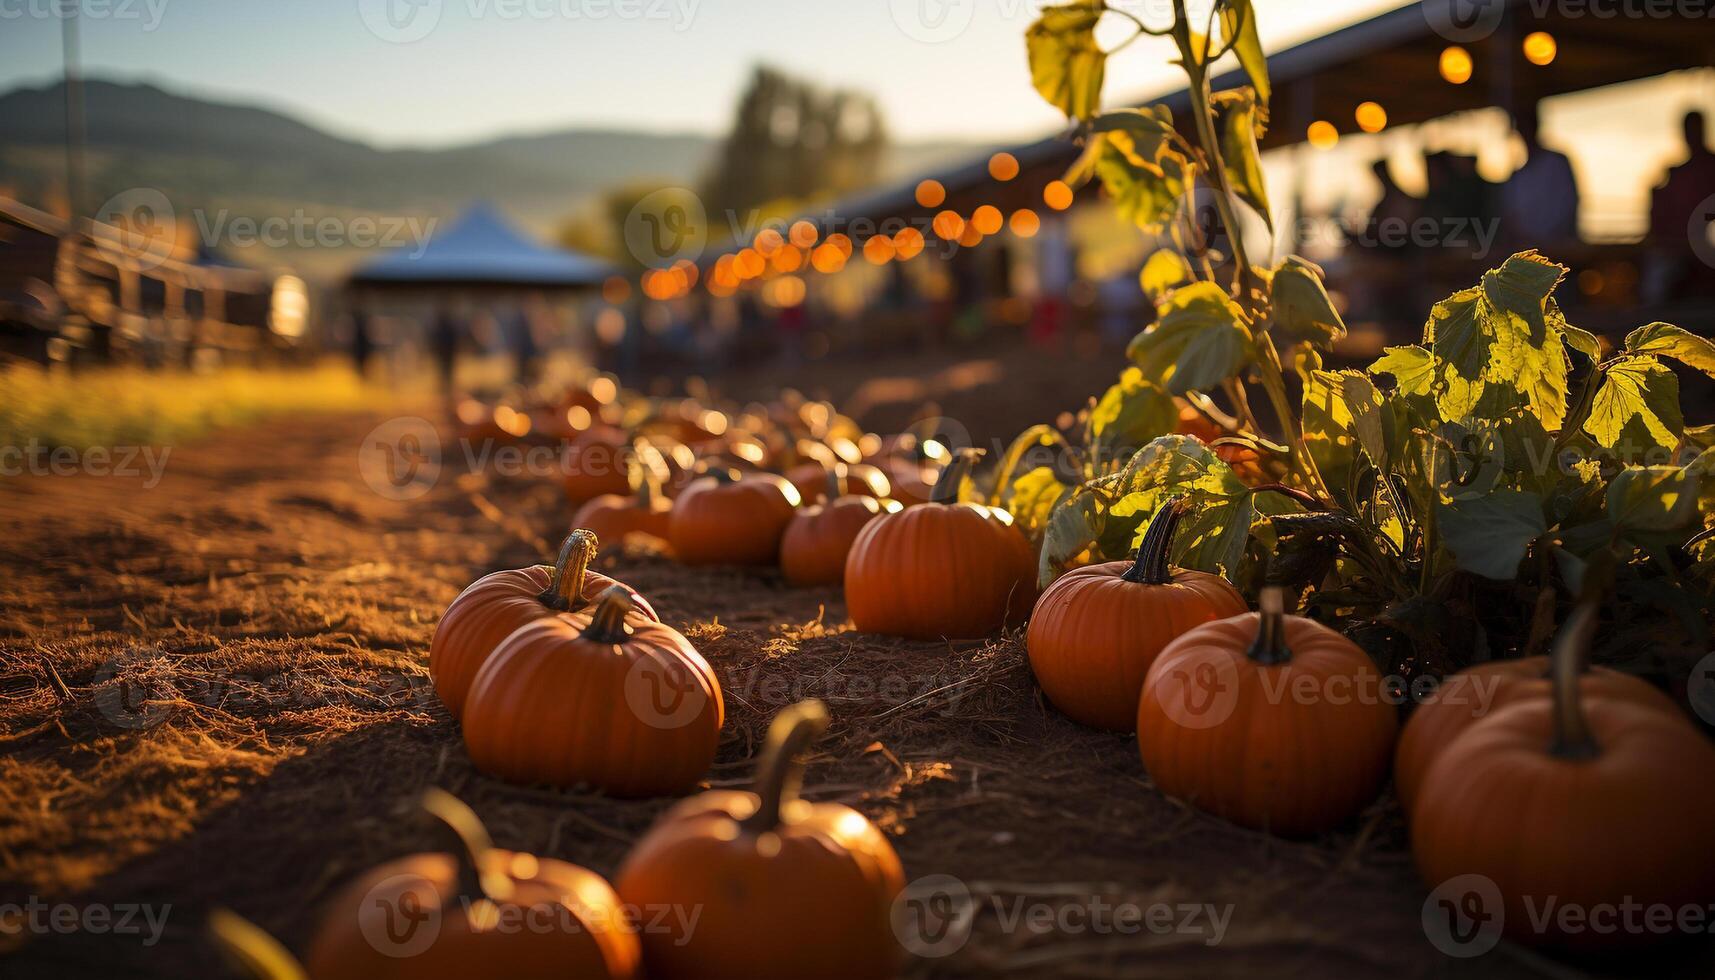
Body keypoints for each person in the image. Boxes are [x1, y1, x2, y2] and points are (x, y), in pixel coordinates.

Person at [1644, 110, 1715, 302]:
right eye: (1688, 130)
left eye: (1694, 129)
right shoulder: (1675, 174)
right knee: (1657, 277)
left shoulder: (1703, 170)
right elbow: (1659, 220)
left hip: (1704, 256)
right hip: (1677, 255)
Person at [1500, 107, 1580, 249]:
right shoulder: (1518, 175)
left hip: (1556, 249)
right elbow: (1510, 217)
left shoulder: (1556, 163)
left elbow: (1567, 206)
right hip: (1528, 250)